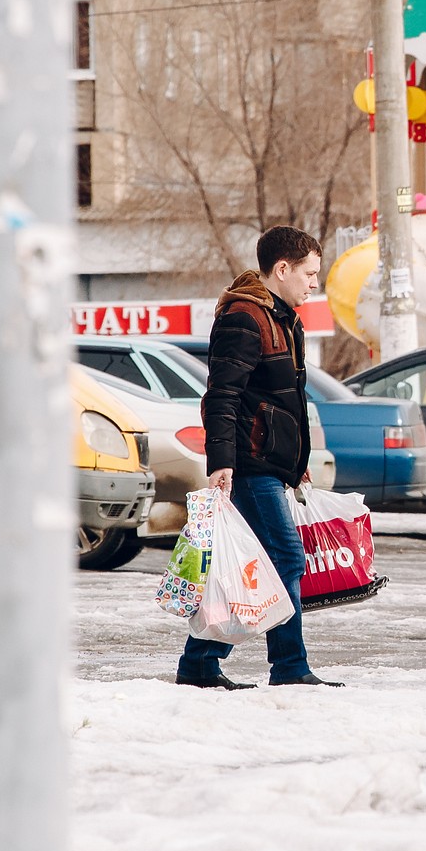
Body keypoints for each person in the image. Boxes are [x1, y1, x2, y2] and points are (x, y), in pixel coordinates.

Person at [175, 226, 342, 690]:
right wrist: (221, 461)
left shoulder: (284, 317)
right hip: (249, 464)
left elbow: (285, 398)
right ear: (282, 269)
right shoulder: (245, 318)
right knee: (285, 558)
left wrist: (296, 460)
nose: (314, 283)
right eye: (309, 273)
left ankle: (201, 663)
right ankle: (287, 667)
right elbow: (222, 395)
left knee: (261, 562)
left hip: (270, 462)